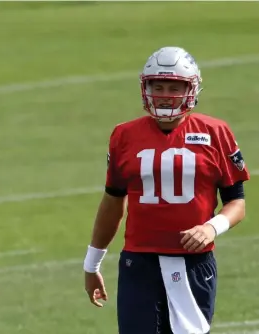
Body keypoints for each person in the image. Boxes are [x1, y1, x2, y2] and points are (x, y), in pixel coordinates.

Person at [83, 46, 250, 334]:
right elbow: (113, 200)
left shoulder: (215, 132)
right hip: (139, 261)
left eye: (174, 87)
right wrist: (92, 263)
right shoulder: (124, 135)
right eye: (157, 86)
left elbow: (237, 203)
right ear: (144, 88)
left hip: (192, 262)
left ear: (192, 89)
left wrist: (211, 228)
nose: (165, 94)